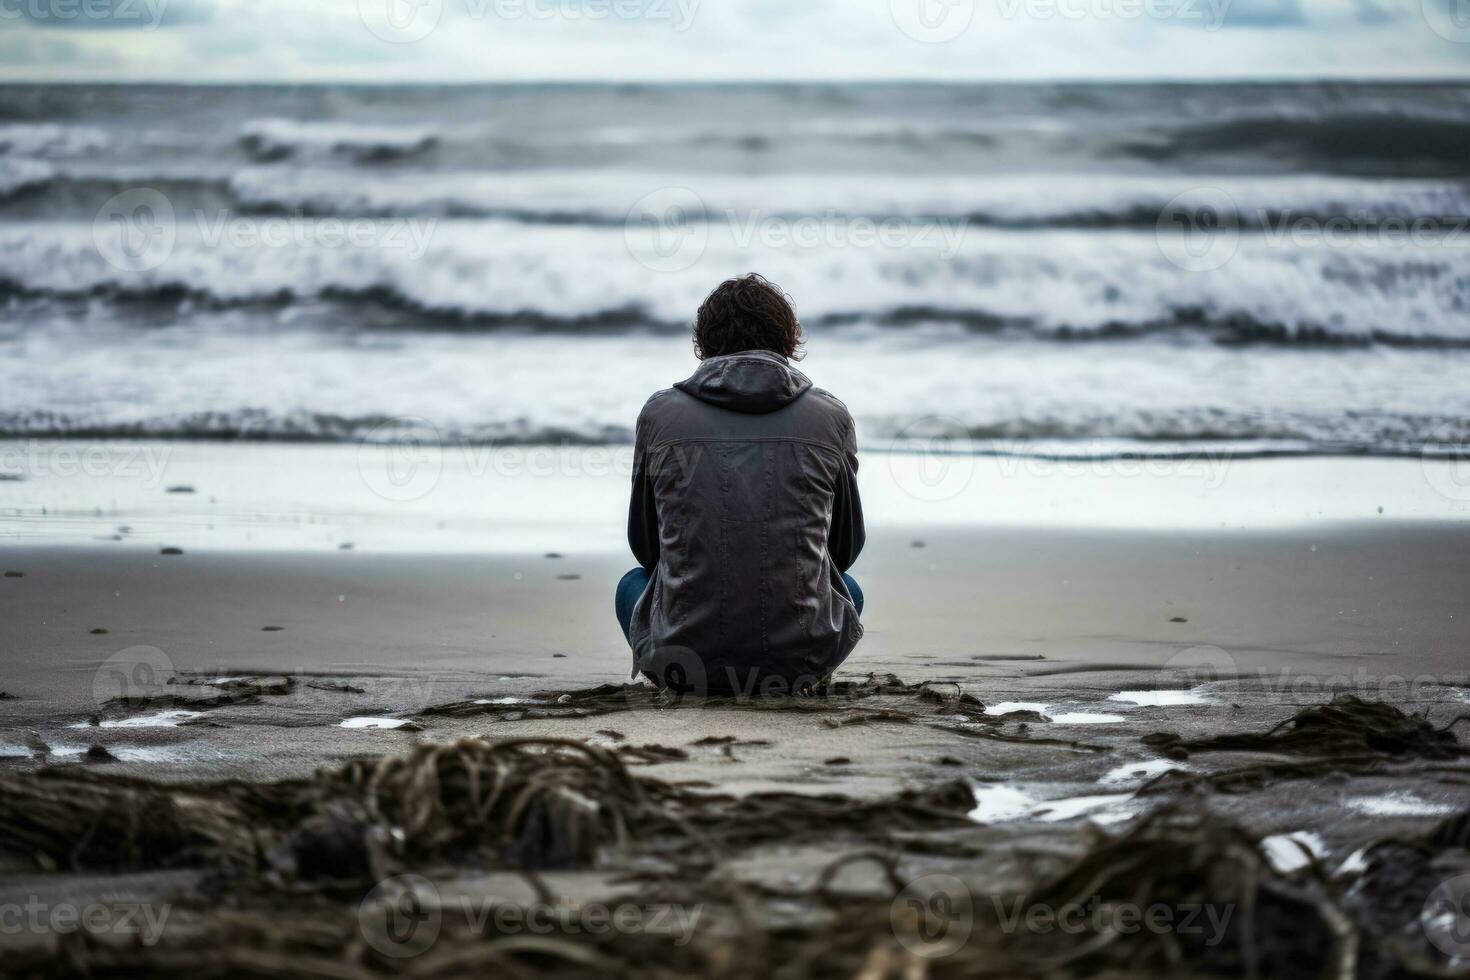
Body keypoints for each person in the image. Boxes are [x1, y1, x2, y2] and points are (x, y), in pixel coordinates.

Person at [615, 273, 865, 694]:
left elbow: (646, 547)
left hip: (684, 662)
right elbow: (843, 550)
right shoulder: (831, 417)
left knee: (631, 585)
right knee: (848, 591)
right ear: (789, 338)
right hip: (799, 660)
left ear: (704, 340)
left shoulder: (660, 415)